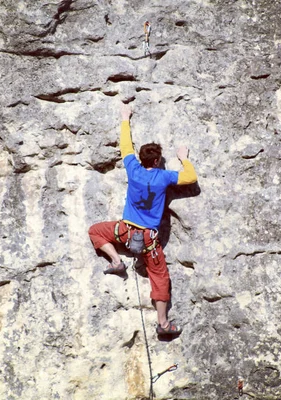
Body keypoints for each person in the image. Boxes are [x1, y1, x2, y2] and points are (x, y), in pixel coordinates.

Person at [88, 102, 198, 335]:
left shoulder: (133, 169)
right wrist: (183, 158)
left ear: (141, 159)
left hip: (125, 231)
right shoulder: (164, 177)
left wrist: (125, 117)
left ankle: (116, 261)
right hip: (149, 239)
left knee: (95, 230)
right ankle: (163, 324)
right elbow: (190, 177)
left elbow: (125, 146)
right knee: (159, 276)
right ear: (157, 161)